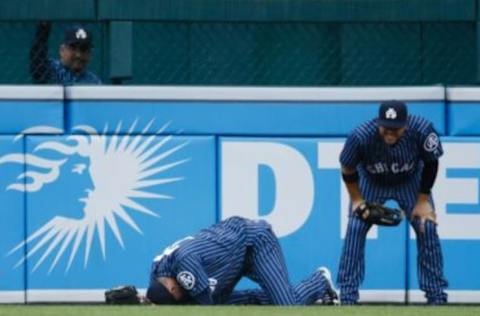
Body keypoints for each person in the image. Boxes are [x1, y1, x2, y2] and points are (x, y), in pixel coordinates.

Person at [337, 100, 448, 305]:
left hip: (410, 181)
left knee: (427, 227)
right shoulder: (360, 136)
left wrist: (423, 200)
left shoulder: (422, 130)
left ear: (405, 124)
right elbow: (347, 168)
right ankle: (347, 297)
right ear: (378, 122)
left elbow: (432, 163)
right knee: (355, 226)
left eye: (395, 129)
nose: (389, 132)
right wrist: (357, 200)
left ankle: (436, 297)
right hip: (372, 181)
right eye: (385, 127)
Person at [147, 216, 338, 305]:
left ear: (172, 288)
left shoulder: (184, 265)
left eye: (175, 297)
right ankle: (293, 297)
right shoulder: (157, 272)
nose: (177, 301)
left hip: (253, 244)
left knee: (288, 306)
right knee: (243, 303)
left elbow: (206, 309)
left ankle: (319, 282)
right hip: (223, 262)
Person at [30, 22, 101, 85]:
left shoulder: (93, 82)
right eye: (73, 48)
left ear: (90, 54)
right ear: (62, 50)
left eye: (83, 49)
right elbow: (37, 64)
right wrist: (43, 32)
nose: (78, 55)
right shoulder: (52, 68)